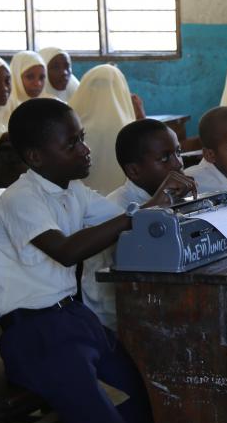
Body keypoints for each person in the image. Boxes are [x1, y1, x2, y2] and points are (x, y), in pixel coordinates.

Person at [0, 98, 192, 423]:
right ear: (36, 156)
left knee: (154, 404)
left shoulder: (73, 192)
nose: (85, 150)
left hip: (73, 320)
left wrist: (162, 200)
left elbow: (129, 215)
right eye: (72, 143)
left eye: (82, 138)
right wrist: (138, 214)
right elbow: (67, 250)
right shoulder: (22, 198)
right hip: (35, 336)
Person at [80, 118, 196, 329]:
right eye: (165, 158)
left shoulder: (175, 196)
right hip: (117, 315)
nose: (178, 164)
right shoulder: (114, 209)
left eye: (178, 153)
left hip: (158, 300)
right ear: (133, 171)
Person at [69, 64, 138, 195]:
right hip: (123, 203)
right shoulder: (129, 128)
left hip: (80, 202)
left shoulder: (74, 129)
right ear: (122, 89)